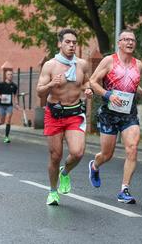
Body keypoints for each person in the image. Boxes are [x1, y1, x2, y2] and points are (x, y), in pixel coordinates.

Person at [89, 29, 142, 204]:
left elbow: (133, 85)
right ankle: (95, 165)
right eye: (125, 39)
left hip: (129, 114)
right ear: (119, 43)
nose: (130, 42)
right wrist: (108, 95)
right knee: (107, 154)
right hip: (109, 113)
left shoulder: (138, 64)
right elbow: (93, 81)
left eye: (132, 40)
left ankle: (124, 189)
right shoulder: (109, 61)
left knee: (132, 148)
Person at [36, 28, 93, 206]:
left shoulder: (82, 65)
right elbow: (39, 92)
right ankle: (53, 191)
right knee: (55, 156)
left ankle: (65, 173)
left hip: (75, 113)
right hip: (54, 114)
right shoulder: (50, 65)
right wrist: (52, 83)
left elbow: (86, 82)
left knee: (77, 152)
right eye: (67, 42)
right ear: (59, 43)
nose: (71, 45)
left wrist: (88, 89)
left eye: (74, 43)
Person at [0, 69, 20, 143]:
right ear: (6, 75)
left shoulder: (14, 86)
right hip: (0, 105)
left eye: (11, 74)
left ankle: (6, 137)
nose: (10, 76)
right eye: (8, 74)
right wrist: (1, 97)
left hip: (9, 106)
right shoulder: (1, 84)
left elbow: (15, 95)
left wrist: (16, 104)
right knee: (2, 121)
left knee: (8, 120)